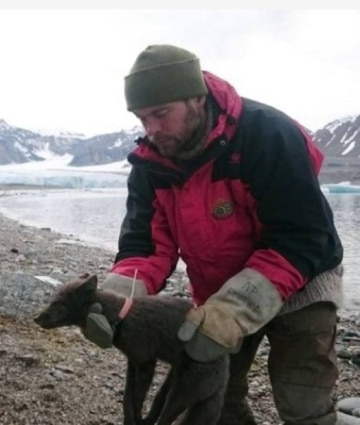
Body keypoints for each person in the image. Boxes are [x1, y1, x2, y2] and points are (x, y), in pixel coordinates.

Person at [84, 44, 345, 425]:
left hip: (304, 280)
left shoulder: (268, 135)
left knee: (303, 402)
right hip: (219, 290)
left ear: (196, 98)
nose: (152, 130)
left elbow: (301, 238)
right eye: (142, 119)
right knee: (214, 396)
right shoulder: (152, 163)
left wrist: (233, 311)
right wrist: (115, 302)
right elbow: (145, 245)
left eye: (161, 114)